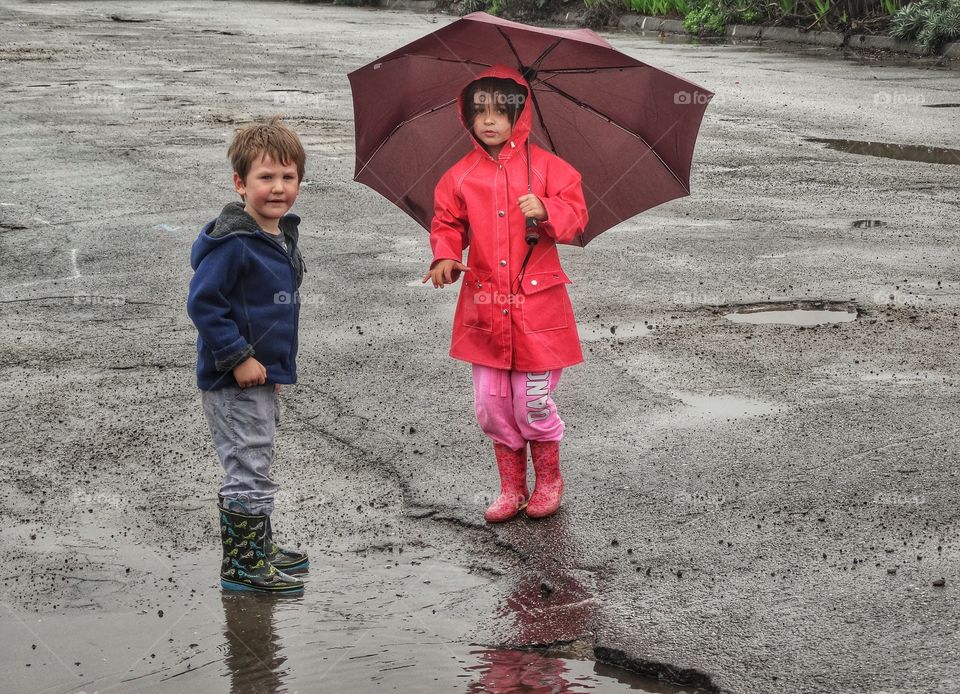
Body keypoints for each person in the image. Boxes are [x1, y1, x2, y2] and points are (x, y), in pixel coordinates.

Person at [422, 66, 588, 523]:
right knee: (493, 407)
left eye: (501, 111)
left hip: (538, 309)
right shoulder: (459, 176)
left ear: (522, 114)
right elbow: (447, 223)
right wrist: (444, 256)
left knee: (531, 402)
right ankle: (512, 487)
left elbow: (576, 218)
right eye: (480, 112)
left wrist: (548, 209)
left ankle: (549, 480)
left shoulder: (551, 168)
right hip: (485, 309)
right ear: (467, 116)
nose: (490, 120)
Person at [187, 116, 309, 594]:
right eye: (265, 177)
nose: (278, 188)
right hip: (233, 378)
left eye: (288, 177)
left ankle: (258, 548)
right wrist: (239, 357)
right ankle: (241, 567)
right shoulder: (234, 242)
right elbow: (204, 303)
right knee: (248, 465)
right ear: (240, 183)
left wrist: (272, 366)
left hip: (261, 375)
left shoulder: (278, 234)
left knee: (257, 458)